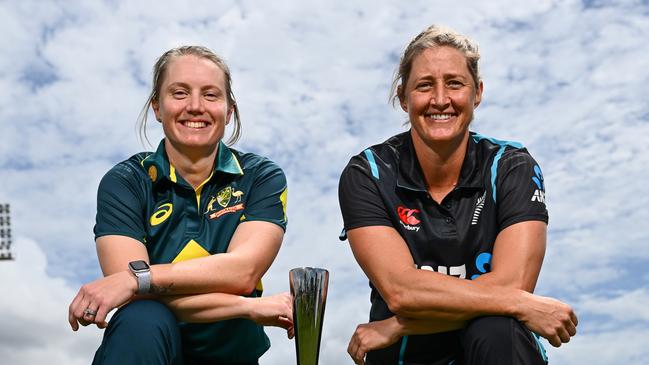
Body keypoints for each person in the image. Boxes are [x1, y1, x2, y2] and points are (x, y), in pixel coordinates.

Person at [338, 25, 577, 365]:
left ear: (477, 92)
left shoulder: (511, 166)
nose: (440, 100)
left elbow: (513, 285)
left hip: (494, 347)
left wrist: (401, 325)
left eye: (454, 83)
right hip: (406, 357)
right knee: (504, 310)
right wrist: (522, 303)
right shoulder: (369, 173)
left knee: (497, 326)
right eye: (424, 85)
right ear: (404, 96)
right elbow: (401, 290)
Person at [68, 45, 293, 365]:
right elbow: (134, 298)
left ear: (229, 111)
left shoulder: (261, 176)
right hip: (149, 349)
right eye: (180, 92)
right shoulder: (126, 181)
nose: (195, 106)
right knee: (142, 316)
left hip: (233, 355)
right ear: (157, 107)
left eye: (211, 95)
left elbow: (243, 271)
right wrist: (247, 307)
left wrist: (137, 279)